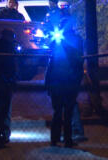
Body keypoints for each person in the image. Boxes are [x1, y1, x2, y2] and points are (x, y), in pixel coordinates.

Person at [44, 0, 87, 144]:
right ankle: (66, 139)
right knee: (66, 112)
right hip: (68, 81)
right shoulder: (75, 40)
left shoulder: (62, 41)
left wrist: (48, 82)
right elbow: (78, 61)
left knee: (59, 112)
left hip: (59, 81)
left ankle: (55, 139)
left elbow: (52, 62)